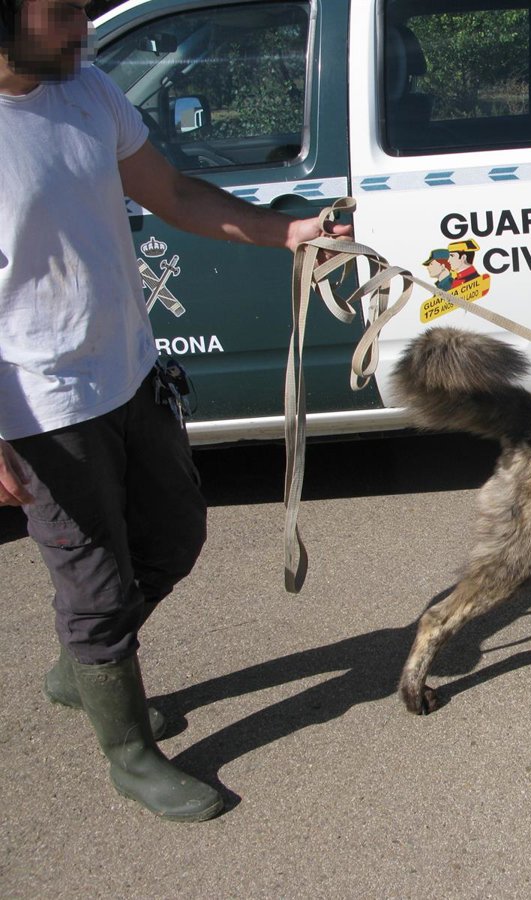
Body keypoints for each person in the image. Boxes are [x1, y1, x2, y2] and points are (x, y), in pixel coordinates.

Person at [0, 0, 351, 822]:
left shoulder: (86, 89)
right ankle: (130, 754)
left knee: (175, 536)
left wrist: (287, 233)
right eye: (62, 12)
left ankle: (80, 670)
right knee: (94, 586)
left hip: (130, 371)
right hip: (41, 409)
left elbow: (175, 193)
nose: (83, 26)